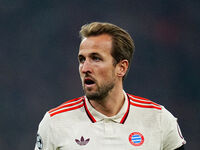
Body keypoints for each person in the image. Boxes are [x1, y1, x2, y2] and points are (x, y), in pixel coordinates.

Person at [34, 22, 186, 150]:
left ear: (122, 67)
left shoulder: (160, 120)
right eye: (82, 59)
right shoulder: (54, 123)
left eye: (96, 58)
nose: (85, 68)